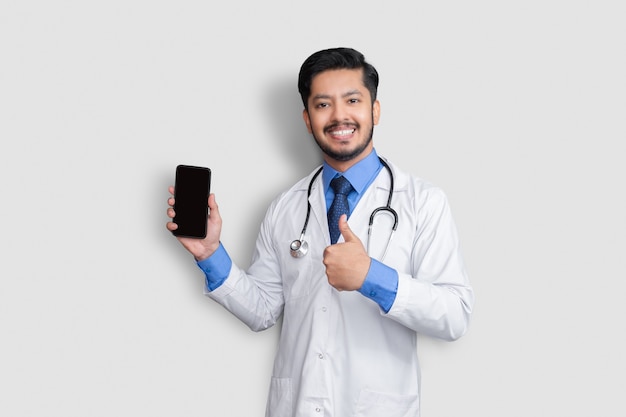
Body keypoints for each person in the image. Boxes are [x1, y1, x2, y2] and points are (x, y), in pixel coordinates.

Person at [166, 47, 474, 417]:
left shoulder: (423, 202)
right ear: (307, 119)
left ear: (375, 110)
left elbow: (455, 315)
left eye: (353, 100)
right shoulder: (285, 206)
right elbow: (262, 310)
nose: (339, 115)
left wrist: (371, 277)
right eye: (323, 104)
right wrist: (209, 253)